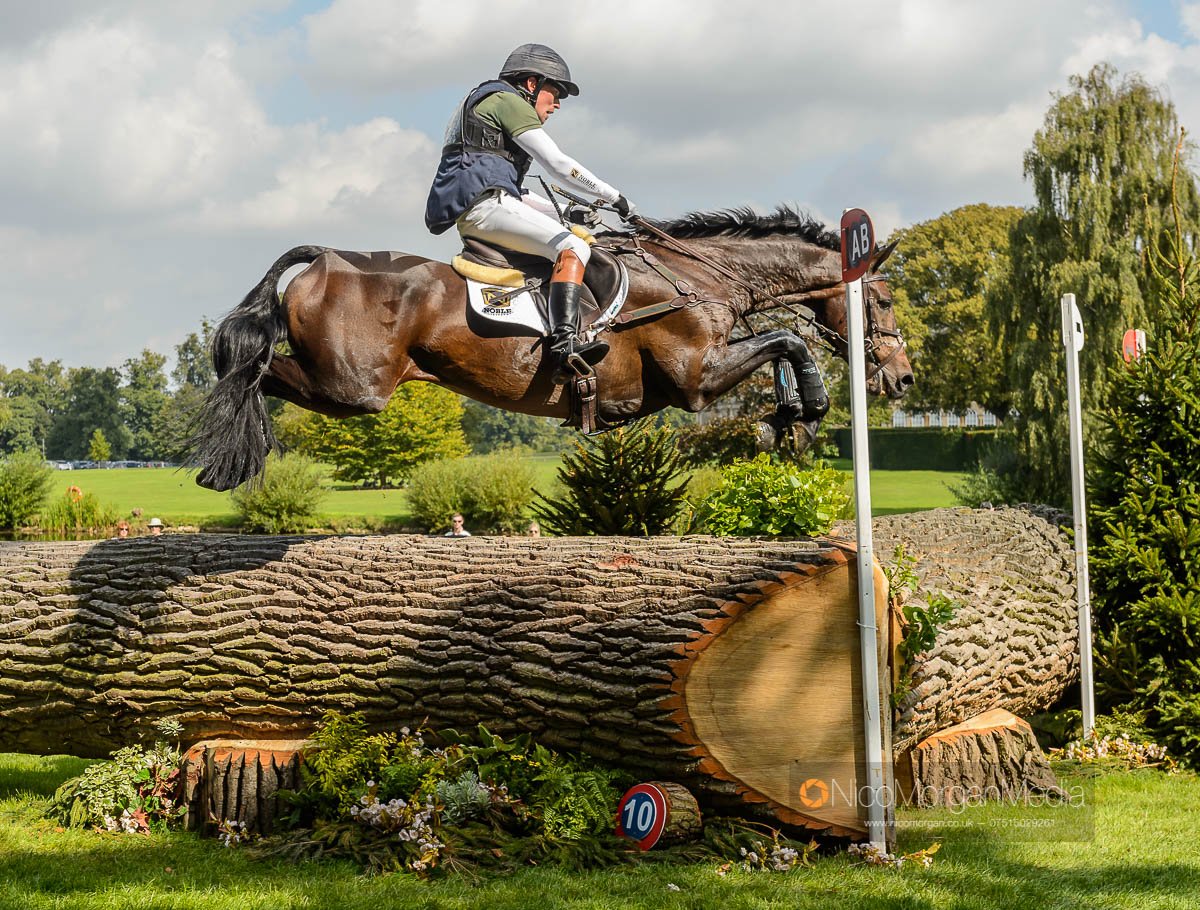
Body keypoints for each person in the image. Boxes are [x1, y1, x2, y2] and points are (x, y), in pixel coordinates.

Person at [426, 43, 638, 383]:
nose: (556, 105)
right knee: (574, 248)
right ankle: (564, 345)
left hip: (489, 203)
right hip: (485, 208)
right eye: (554, 93)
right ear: (531, 84)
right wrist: (613, 197)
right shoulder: (507, 101)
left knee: (575, 235)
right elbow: (557, 165)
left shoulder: (490, 104)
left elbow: (515, 193)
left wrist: (570, 211)